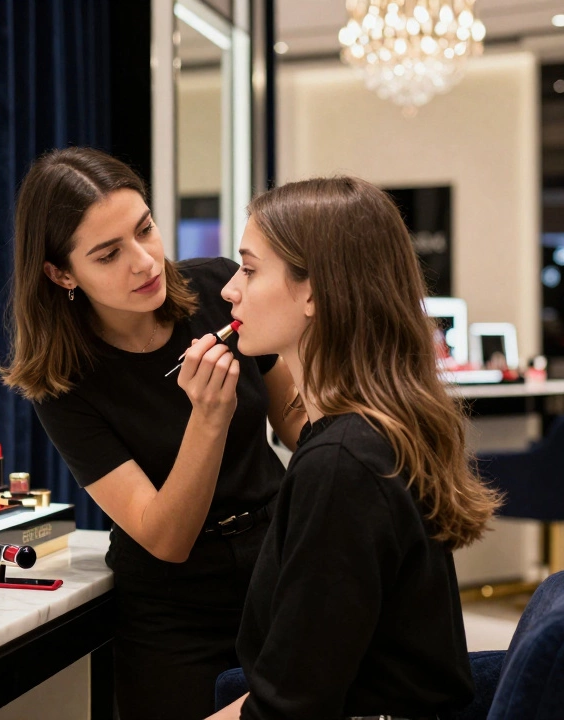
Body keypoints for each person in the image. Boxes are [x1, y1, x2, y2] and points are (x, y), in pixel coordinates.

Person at [0, 147, 306, 720]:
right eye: (109, 254)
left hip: (277, 564)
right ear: (61, 273)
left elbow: (296, 422)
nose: (144, 262)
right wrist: (207, 418)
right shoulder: (63, 384)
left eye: (145, 229)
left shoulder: (221, 288)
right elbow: (167, 537)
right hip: (172, 613)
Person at [213, 177, 500, 719]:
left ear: (315, 292)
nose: (230, 290)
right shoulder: (370, 433)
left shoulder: (342, 466)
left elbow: (289, 707)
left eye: (249, 270)